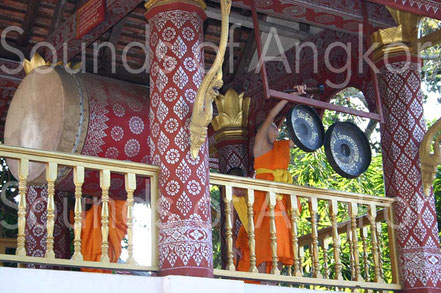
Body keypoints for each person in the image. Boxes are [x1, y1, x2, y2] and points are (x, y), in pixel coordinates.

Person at [236, 86, 305, 274]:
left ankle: (275, 279)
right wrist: (289, 96)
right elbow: (270, 117)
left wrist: (304, 104)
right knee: (266, 239)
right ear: (263, 131)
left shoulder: (281, 146)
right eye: (274, 127)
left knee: (282, 242)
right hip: (264, 198)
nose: (277, 129)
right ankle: (264, 280)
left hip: (281, 198)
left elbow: (305, 137)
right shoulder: (260, 145)